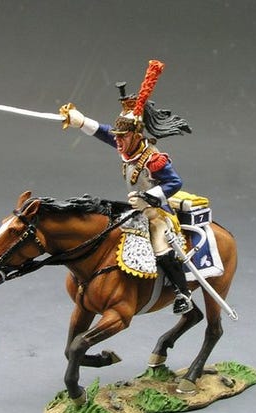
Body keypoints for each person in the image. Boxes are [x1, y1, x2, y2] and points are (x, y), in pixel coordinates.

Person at [60, 60, 193, 315]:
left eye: (123, 137)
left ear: (137, 135)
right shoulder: (127, 146)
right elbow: (104, 132)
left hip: (157, 213)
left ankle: (182, 293)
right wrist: (80, 120)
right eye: (117, 137)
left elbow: (175, 182)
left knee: (160, 246)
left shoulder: (154, 159)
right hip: (136, 208)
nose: (118, 141)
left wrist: (148, 197)